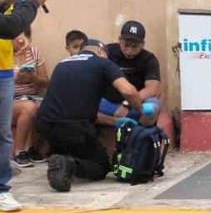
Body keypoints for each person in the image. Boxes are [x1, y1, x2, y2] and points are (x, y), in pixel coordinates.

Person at [37, 39, 143, 192]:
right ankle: (69, 164)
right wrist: (140, 112)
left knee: (72, 146)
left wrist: (115, 121)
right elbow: (128, 91)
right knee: (101, 166)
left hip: (45, 125)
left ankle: (61, 159)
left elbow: (79, 109)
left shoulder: (62, 64)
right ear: (101, 51)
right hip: (75, 128)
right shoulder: (102, 63)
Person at [0, 0, 46, 212]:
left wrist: (8, 0)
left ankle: (1, 189)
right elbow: (8, 27)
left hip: (4, 72)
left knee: (3, 133)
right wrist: (32, 2)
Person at [98, 20, 173, 139]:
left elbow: (152, 88)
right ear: (119, 40)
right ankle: (115, 124)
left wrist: (127, 103)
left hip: (136, 103)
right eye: (126, 45)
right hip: (107, 102)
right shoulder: (108, 52)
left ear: (142, 44)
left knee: (152, 108)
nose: (129, 50)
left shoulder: (149, 59)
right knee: (84, 107)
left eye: (135, 46)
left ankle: (139, 140)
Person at [11, 30, 48, 167]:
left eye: (25, 36)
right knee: (29, 107)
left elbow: (45, 82)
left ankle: (36, 150)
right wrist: (14, 79)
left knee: (50, 106)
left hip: (33, 96)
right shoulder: (3, 54)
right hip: (9, 100)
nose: (21, 40)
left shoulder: (34, 52)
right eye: (16, 36)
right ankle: (19, 152)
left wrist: (33, 78)